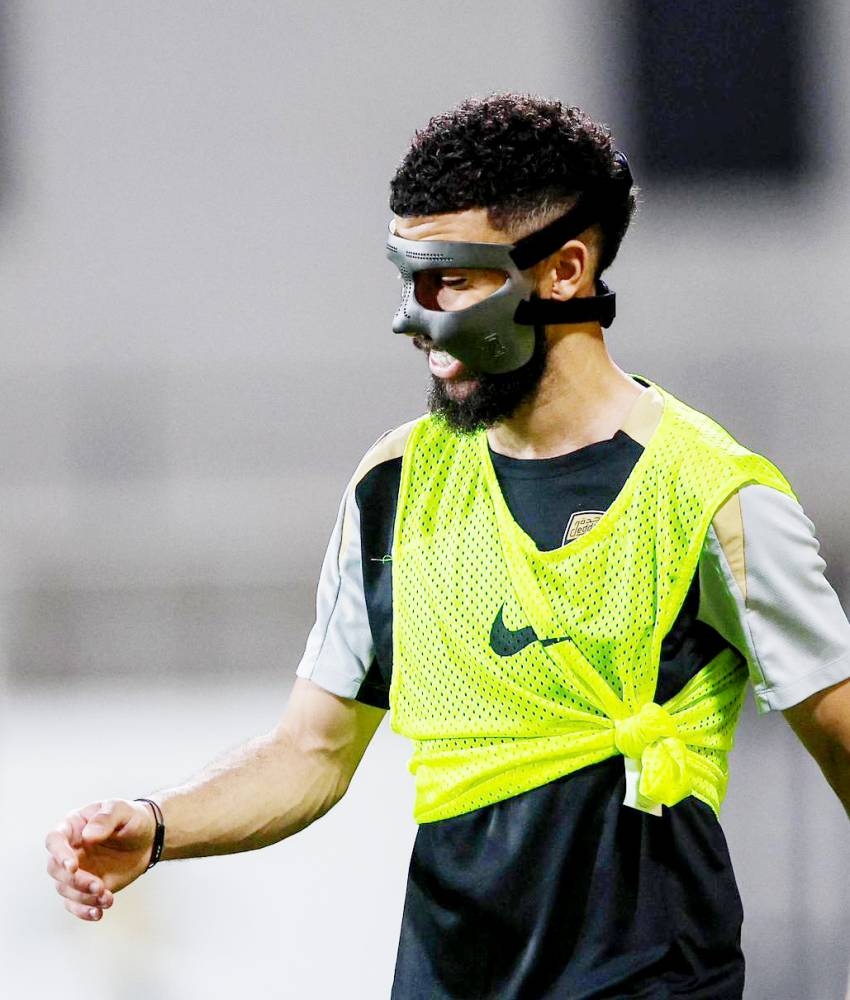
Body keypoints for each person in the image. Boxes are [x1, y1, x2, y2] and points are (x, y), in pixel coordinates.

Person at [46, 94, 850, 999]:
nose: (417, 318)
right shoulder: (394, 488)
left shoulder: (716, 497)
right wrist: (158, 826)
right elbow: (311, 754)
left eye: (453, 281)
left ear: (565, 271)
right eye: (411, 280)